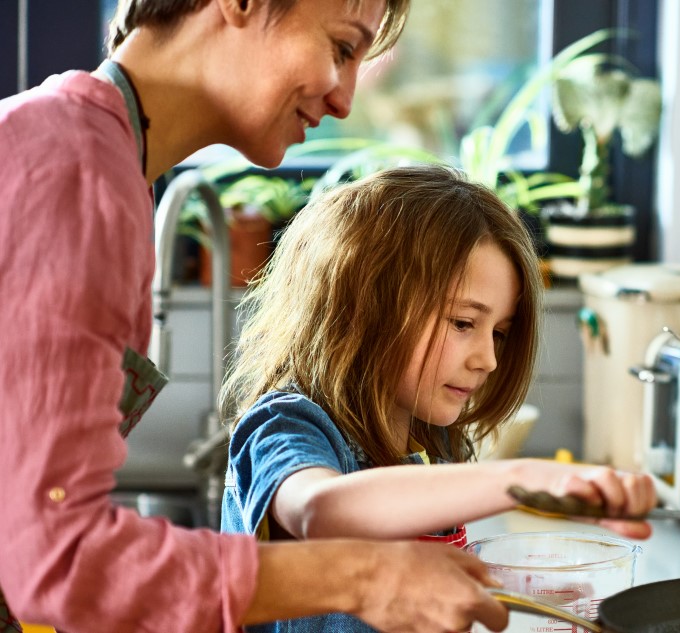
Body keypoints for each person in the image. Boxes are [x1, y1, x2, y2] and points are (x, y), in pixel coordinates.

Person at [0, 1, 518, 631]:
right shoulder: (74, 176)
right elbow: (60, 559)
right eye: (341, 47)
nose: (345, 100)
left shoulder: (103, 166)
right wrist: (368, 576)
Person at [219, 165, 657, 632]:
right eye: (464, 323)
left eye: (500, 333)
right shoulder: (288, 425)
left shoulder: (433, 439)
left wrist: (534, 595)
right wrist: (526, 476)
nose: (488, 359)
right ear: (367, 306)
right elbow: (320, 510)